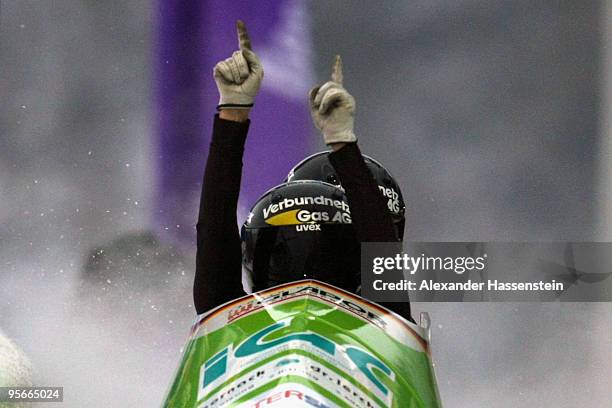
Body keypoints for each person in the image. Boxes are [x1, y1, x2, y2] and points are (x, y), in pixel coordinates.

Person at [193, 21, 412, 321]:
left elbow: (212, 235)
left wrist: (233, 115)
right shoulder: (385, 315)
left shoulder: (223, 310)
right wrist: (343, 144)